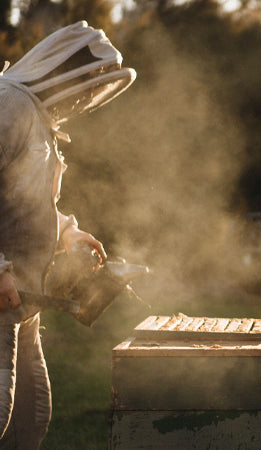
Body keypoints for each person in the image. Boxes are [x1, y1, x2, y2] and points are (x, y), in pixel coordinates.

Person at [0, 21, 135, 448]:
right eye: (86, 85)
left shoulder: (37, 119)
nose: (86, 98)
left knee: (31, 416)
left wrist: (67, 233)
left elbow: (25, 205)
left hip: (21, 300)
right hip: (3, 291)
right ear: (64, 69)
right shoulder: (10, 105)